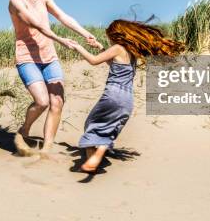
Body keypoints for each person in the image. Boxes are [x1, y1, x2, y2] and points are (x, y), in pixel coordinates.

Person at [8, 0, 102, 156]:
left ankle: (47, 149)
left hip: (49, 57)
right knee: (42, 101)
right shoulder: (16, 1)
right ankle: (24, 130)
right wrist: (62, 40)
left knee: (57, 102)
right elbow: (36, 24)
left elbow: (63, 16)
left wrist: (86, 34)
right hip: (28, 59)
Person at [70, 19, 184, 172]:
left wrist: (78, 47)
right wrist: (101, 47)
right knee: (109, 128)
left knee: (91, 124)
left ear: (116, 35)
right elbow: (115, 65)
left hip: (112, 94)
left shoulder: (117, 48)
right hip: (127, 100)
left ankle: (92, 160)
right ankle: (101, 151)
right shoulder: (132, 52)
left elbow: (93, 61)